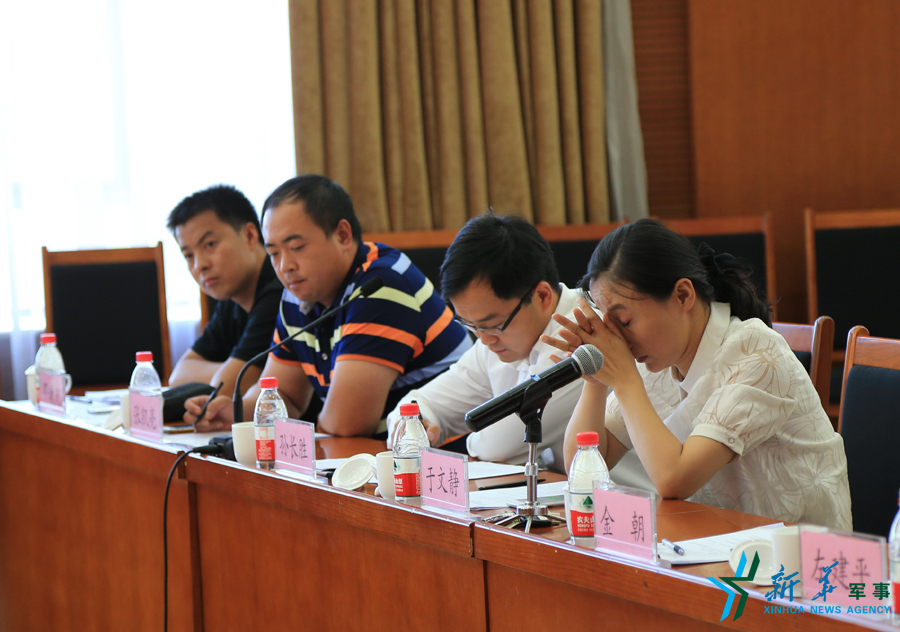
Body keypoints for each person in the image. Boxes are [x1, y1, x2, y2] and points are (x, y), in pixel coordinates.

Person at [542, 218, 851, 529]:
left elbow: (674, 479)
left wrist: (624, 381)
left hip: (799, 552)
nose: (619, 341)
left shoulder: (758, 355)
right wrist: (596, 379)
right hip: (720, 543)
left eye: (624, 323)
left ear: (682, 295)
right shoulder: (658, 361)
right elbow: (582, 462)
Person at [187, 175, 472, 437]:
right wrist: (235, 413)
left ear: (342, 235)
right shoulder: (297, 295)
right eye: (273, 253)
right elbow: (286, 396)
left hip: (450, 455)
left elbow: (347, 424)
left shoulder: (381, 286)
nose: (285, 266)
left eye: (297, 248)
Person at [385, 214, 652, 485]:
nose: (484, 340)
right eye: (469, 325)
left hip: (636, 501)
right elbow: (418, 403)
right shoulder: (493, 340)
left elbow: (494, 447)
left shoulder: (581, 336)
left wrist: (455, 437)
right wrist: (417, 425)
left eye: (492, 325)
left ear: (542, 296)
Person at [167, 184, 283, 396]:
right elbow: (178, 376)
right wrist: (231, 369)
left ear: (250, 235)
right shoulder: (232, 301)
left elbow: (228, 387)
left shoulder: (281, 293)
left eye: (210, 244)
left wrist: (232, 372)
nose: (199, 265)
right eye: (188, 255)